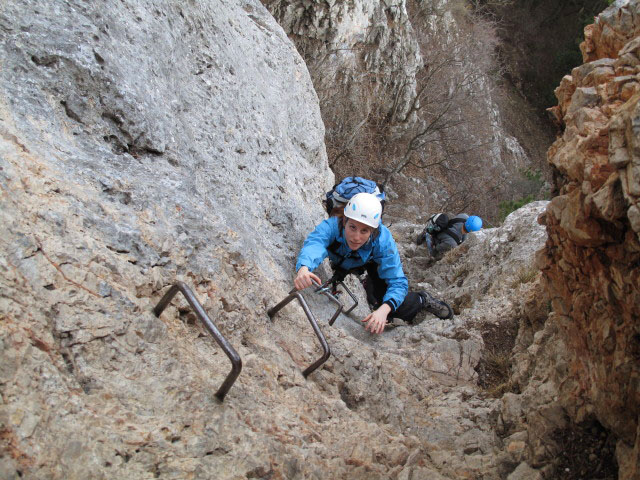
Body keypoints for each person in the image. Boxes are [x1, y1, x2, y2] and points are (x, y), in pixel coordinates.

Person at [295, 193, 453, 334]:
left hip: (370, 261)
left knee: (390, 306)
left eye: (364, 231)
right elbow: (315, 243)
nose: (356, 236)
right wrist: (304, 267)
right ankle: (367, 286)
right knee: (372, 297)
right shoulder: (331, 226)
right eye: (352, 227)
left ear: (373, 230)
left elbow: (397, 282)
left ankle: (422, 299)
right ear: (344, 220)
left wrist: (385, 309)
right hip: (347, 259)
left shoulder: (383, 241)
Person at [416, 213, 482, 259]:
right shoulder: (452, 243)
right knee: (434, 253)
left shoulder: (464, 216)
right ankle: (428, 236)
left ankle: (429, 230)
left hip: (445, 228)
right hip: (440, 236)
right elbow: (438, 248)